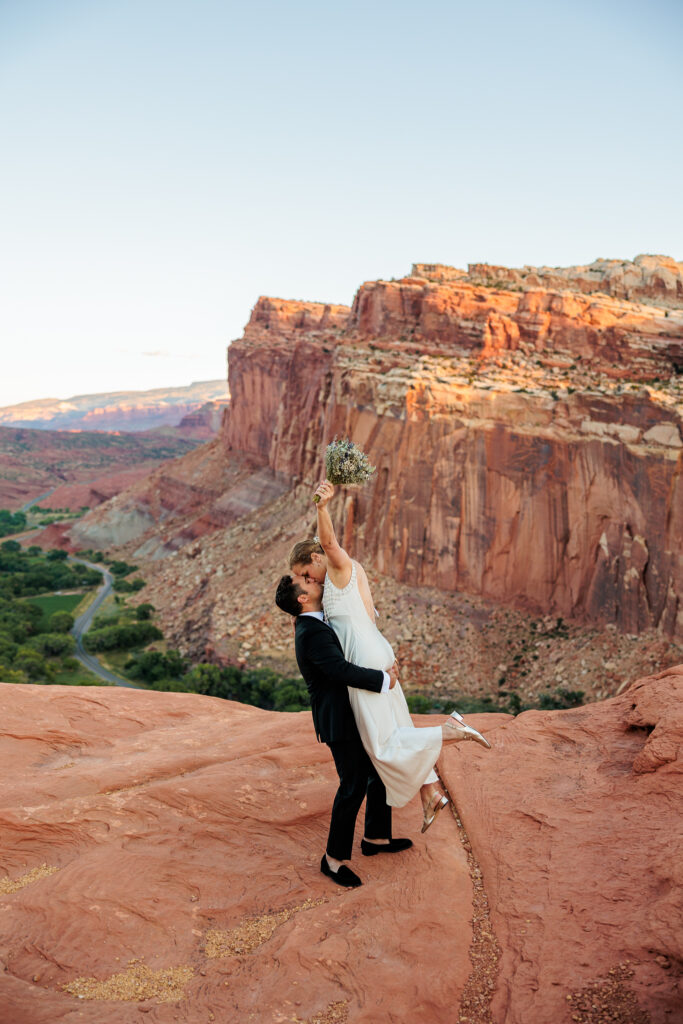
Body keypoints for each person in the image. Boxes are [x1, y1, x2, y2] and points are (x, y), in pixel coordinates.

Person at [289, 479, 491, 833]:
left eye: (306, 574)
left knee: (381, 745)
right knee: (397, 729)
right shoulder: (348, 576)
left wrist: (322, 508)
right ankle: (429, 795)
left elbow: (330, 541)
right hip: (375, 652)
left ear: (317, 559)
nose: (308, 582)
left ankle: (451, 729)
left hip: (365, 662)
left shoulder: (337, 568)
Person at [275, 570, 413, 889]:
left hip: (353, 713)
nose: (316, 580)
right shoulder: (310, 631)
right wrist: (383, 680)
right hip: (339, 720)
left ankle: (375, 838)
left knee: (378, 771)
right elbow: (339, 670)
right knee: (352, 786)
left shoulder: (317, 622)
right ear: (302, 598)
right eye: (308, 582)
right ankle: (333, 861)